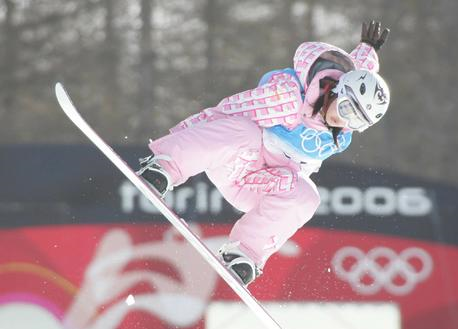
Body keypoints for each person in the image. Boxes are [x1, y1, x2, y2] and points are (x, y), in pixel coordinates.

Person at [136, 21, 390, 286]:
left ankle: (245, 253)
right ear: (337, 90)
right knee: (246, 132)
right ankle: (166, 167)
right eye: (346, 109)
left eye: (356, 122)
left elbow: (358, 69)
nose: (342, 121)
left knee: (307, 196)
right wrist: (170, 150)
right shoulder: (286, 99)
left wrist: (368, 48)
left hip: (264, 185)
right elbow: (223, 115)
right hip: (237, 162)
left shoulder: (338, 129)